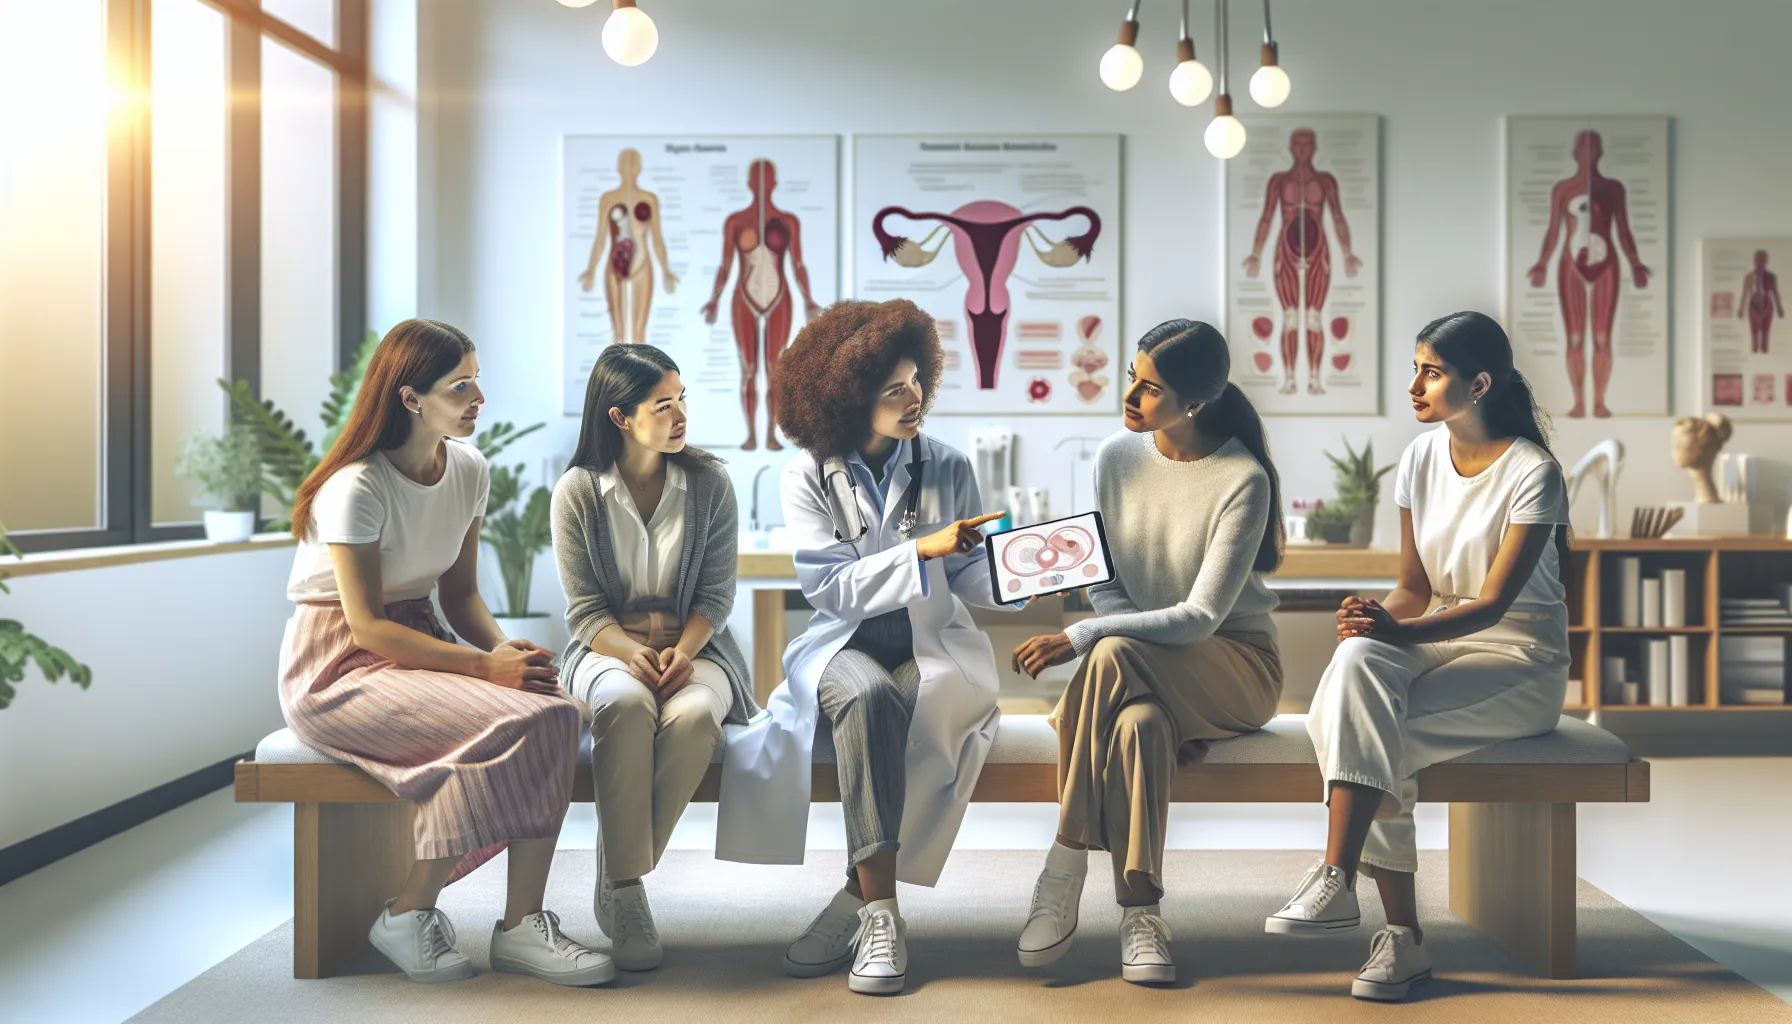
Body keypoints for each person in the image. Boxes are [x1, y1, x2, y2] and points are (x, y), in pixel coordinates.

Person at [279, 319, 612, 987]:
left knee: (557, 710)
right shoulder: (357, 486)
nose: (478, 398)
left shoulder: (469, 469)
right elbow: (367, 627)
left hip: (423, 639)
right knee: (514, 722)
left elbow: (460, 597)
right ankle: (408, 912)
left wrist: (504, 650)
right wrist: (485, 668)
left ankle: (522, 926)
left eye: (476, 381)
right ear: (410, 398)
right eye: (460, 386)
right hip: (337, 666)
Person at [1264, 311, 1572, 1002]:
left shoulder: (1534, 472)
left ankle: (1388, 925)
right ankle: (1344, 889)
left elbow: (1493, 606)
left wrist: (1396, 633)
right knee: (1356, 664)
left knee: (1378, 728)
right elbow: (1413, 590)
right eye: (1416, 369)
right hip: (1437, 632)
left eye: (1431, 373)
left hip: (1520, 657)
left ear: (1480, 384)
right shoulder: (1420, 457)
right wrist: (1372, 619)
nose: (1414, 386)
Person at [716, 298, 1016, 996]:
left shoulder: (947, 465)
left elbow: (970, 574)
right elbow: (830, 590)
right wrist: (924, 549)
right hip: (844, 644)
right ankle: (885, 916)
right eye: (892, 391)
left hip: (929, 642)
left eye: (916, 383)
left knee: (909, 708)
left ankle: (856, 898)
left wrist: (1024, 577)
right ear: (849, 400)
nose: (913, 400)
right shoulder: (807, 474)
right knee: (869, 695)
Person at [1010, 319, 1286, 985]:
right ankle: (1142, 912)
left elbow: (1200, 617)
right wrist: (1126, 652)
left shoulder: (1243, 479)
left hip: (1236, 666)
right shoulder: (1115, 457)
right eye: (1132, 377)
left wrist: (1081, 636)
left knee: (1106, 656)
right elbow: (1104, 582)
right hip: (1145, 668)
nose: (1130, 396)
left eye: (1151, 388)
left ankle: (1063, 864)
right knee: (1139, 725)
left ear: (1196, 402)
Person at [552, 343, 758, 972]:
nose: (680, 415)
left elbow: (716, 597)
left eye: (681, 398)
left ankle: (618, 877)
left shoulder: (710, 484)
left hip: (699, 648)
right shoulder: (577, 492)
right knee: (623, 703)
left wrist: (682, 654)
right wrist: (634, 653)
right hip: (608, 648)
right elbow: (585, 611)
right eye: (662, 405)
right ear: (620, 417)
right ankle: (628, 889)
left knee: (694, 717)